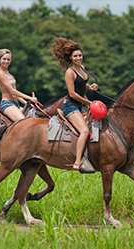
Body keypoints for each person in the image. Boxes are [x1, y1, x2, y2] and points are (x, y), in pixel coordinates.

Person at [51, 37, 98, 172]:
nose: (78, 58)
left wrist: (90, 87)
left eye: (80, 55)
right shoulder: (69, 72)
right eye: (75, 56)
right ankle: (77, 162)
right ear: (71, 58)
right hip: (71, 106)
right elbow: (72, 93)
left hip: (81, 105)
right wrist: (89, 102)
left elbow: (81, 85)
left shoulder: (82, 68)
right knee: (84, 131)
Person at [0, 47, 38, 122]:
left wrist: (27, 103)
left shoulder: (8, 73)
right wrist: (30, 98)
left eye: (8, 59)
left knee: (34, 118)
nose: (6, 61)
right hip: (7, 104)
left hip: (15, 104)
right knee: (24, 122)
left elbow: (16, 94)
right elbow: (12, 91)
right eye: (4, 59)